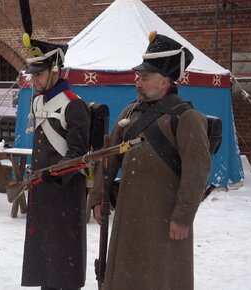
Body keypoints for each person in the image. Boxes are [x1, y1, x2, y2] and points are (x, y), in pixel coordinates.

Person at [90, 32, 212, 290]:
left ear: (165, 81)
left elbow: (197, 171)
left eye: (144, 78)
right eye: (138, 77)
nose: (137, 82)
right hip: (128, 217)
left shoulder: (187, 118)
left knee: (160, 279)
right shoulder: (130, 113)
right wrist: (99, 197)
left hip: (163, 219)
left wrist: (183, 216)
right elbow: (108, 159)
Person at [20, 33, 90, 290]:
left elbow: (78, 154)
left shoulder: (73, 105)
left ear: (56, 70)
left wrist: (56, 173)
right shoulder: (39, 100)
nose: (33, 79)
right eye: (33, 74)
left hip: (65, 194)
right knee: (44, 258)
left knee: (64, 258)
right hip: (42, 191)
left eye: (38, 74)